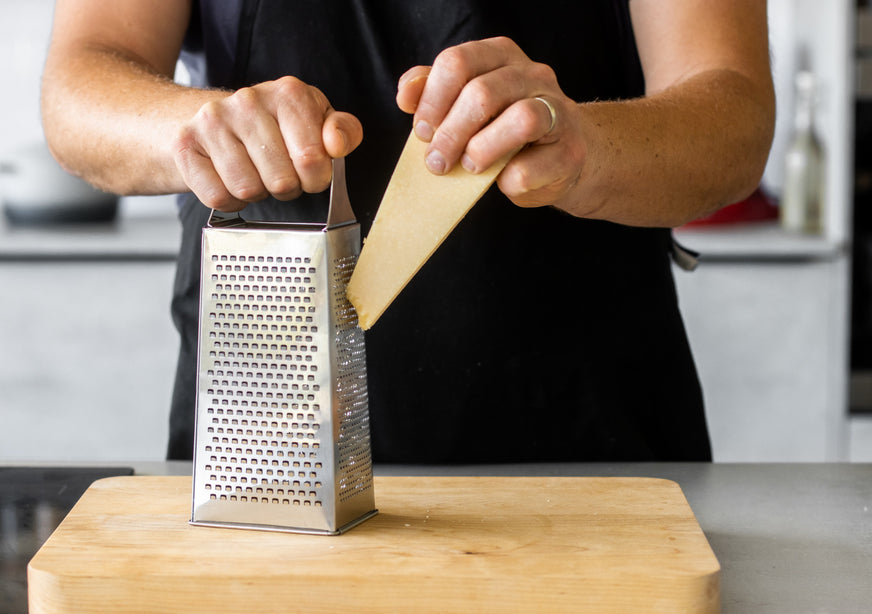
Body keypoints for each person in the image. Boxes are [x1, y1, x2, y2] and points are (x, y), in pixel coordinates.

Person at [41, 1, 775, 463]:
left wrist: (587, 146)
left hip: (590, 439)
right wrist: (203, 131)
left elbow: (734, 117)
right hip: (270, 432)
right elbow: (78, 89)